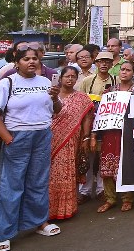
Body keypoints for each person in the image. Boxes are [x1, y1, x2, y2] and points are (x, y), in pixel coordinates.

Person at [0, 44, 64, 250]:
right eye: (26, 59)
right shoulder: (7, 82)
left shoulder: (45, 82)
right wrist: (9, 139)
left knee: (38, 182)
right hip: (17, 137)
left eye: (34, 58)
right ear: (17, 63)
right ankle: (2, 233)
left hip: (42, 136)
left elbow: (57, 110)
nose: (31, 62)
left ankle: (39, 222)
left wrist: (54, 97)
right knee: (11, 186)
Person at [49, 66, 94, 220]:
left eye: (73, 77)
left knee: (68, 172)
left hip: (72, 140)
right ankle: (49, 210)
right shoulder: (50, 96)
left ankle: (67, 208)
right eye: (67, 76)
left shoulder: (81, 98)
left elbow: (88, 118)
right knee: (50, 175)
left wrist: (87, 137)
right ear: (60, 78)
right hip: (49, 139)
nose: (70, 79)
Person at [92, 60, 134, 213]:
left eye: (128, 70)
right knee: (107, 165)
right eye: (122, 69)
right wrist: (93, 135)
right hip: (110, 133)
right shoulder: (110, 92)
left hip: (129, 133)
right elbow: (100, 114)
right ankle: (110, 198)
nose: (124, 72)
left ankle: (127, 198)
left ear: (133, 73)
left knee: (126, 165)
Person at [76, 51, 118, 204]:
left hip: (108, 125)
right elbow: (80, 103)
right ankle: (85, 191)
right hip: (90, 123)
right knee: (88, 157)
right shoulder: (87, 81)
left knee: (103, 158)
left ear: (112, 64)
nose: (104, 64)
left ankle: (101, 190)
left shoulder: (116, 80)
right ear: (96, 63)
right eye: (101, 61)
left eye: (107, 61)